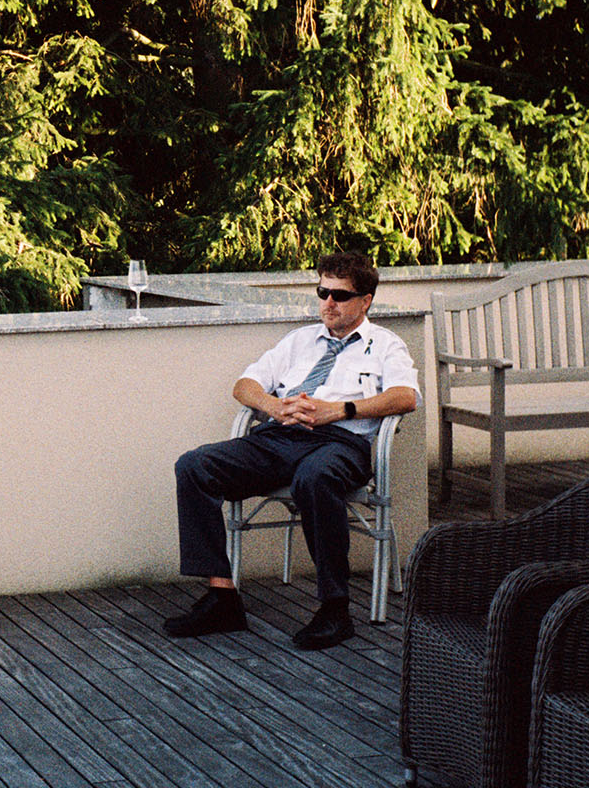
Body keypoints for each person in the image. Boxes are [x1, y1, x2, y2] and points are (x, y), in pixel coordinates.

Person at [166, 251, 418, 650]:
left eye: (340, 295)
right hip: (279, 438)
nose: (328, 303)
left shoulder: (385, 344)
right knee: (195, 466)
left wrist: (340, 410)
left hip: (340, 443)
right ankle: (222, 597)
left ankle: (335, 609)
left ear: (365, 300)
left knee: (314, 478)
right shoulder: (299, 341)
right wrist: (274, 407)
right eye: (322, 292)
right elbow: (244, 385)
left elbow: (405, 397)